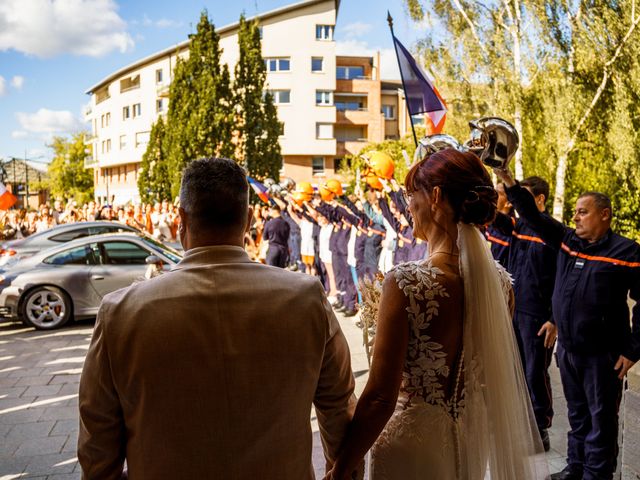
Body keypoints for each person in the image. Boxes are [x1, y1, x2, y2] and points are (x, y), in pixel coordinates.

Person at [78, 158, 358, 479]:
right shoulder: (305, 297)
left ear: (181, 218)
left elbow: (97, 438)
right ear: (250, 219)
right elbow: (339, 410)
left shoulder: (121, 311)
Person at [325, 148, 546, 480]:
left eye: (411, 195)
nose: (408, 206)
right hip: (471, 438)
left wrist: (341, 468)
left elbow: (381, 397)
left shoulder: (406, 282)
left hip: (412, 445)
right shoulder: (502, 284)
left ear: (436, 197)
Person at [495, 168, 640, 480]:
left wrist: (632, 349)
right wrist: (509, 182)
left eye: (583, 212)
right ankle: (576, 468)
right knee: (577, 415)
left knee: (601, 420)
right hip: (569, 350)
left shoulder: (626, 252)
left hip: (604, 356)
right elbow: (533, 216)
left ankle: (596, 474)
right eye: (574, 212)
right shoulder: (567, 241)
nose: (575, 218)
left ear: (605, 215)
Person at [492, 175, 560, 451]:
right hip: (513, 311)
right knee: (515, 370)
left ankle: (540, 428)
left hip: (538, 316)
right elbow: (495, 218)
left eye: (526, 198)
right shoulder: (517, 226)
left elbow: (562, 281)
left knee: (535, 372)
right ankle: (521, 424)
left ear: (540, 199)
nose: (517, 205)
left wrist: (554, 319)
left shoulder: (554, 233)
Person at [262, 203, 290, 268]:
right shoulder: (286, 223)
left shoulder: (269, 223)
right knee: (280, 273)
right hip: (283, 251)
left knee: (271, 272)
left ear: (274, 210)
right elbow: (287, 237)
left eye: (270, 210)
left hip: (273, 249)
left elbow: (265, 238)